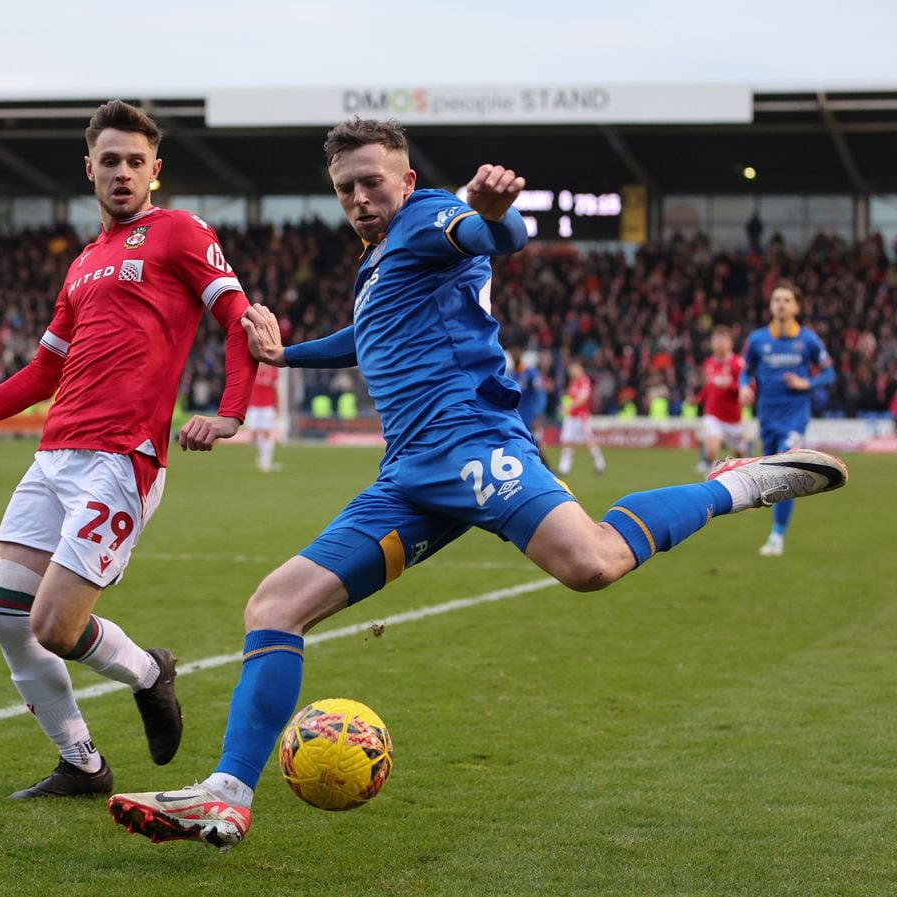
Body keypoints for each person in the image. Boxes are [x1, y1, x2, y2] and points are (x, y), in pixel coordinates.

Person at [107, 117, 848, 851]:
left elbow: (494, 237)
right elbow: (366, 335)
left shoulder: (430, 218)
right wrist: (285, 355)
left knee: (590, 563)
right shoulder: (377, 263)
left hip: (471, 445)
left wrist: (495, 215)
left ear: (407, 180)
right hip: (408, 477)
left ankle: (736, 484)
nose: (361, 197)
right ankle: (227, 796)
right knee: (274, 605)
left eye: (373, 181)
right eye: (346, 188)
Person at [0, 100, 258, 799]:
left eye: (135, 162)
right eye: (109, 160)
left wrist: (231, 412)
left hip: (121, 458)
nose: (122, 173)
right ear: (89, 167)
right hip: (53, 455)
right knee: (5, 616)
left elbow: (238, 318)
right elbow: (43, 372)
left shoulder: (179, 231)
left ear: (155, 170)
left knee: (55, 625)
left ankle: (151, 672)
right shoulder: (85, 261)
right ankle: (82, 762)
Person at [739, 282, 836, 557]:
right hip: (767, 416)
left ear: (796, 306)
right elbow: (745, 372)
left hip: (795, 417)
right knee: (772, 476)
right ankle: (775, 530)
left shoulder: (808, 340)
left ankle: (777, 536)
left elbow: (829, 374)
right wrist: (745, 386)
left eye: (786, 299)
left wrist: (807, 383)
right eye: (776, 299)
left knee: (785, 468)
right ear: (770, 306)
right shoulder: (757, 339)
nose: (780, 304)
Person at [692, 326, 747, 475]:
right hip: (713, 415)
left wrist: (730, 386)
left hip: (734, 419)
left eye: (723, 340)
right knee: (711, 449)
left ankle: (742, 483)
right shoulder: (708, 362)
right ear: (711, 343)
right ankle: (709, 479)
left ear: (730, 343)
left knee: (741, 458)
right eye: (716, 340)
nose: (719, 343)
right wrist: (698, 398)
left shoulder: (738, 363)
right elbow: (709, 387)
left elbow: (747, 387)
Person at [557, 360, 605, 475]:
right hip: (571, 417)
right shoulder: (573, 382)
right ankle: (564, 468)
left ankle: (600, 464)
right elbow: (572, 398)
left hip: (580, 417)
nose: (571, 371)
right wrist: (566, 407)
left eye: (573, 369)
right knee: (567, 440)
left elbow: (582, 400)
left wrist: (568, 407)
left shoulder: (584, 382)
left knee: (588, 441)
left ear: (579, 368)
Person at [245, 363, 280, 472]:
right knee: (254, 434)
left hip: (267, 407)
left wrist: (278, 408)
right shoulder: (253, 370)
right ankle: (262, 456)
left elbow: (276, 391)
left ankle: (266, 462)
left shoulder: (273, 372)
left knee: (267, 433)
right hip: (254, 407)